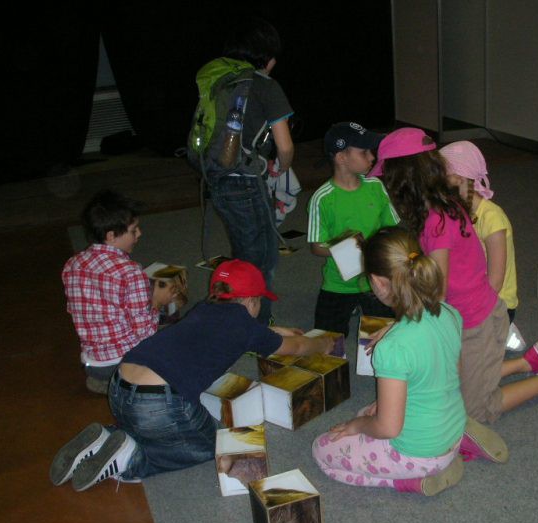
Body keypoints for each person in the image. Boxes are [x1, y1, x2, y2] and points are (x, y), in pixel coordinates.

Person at [371, 128, 538, 423]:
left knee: (476, 411)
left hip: (476, 324)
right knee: (449, 384)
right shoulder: (443, 204)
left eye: (388, 179)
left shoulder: (436, 221)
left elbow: (436, 293)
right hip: (460, 319)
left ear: (402, 179)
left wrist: (398, 327)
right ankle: (526, 363)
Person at [50, 259, 334, 491]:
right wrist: (322, 344)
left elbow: (241, 332)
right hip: (160, 403)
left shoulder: (204, 309)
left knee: (154, 428)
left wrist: (276, 331)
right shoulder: (245, 327)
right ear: (250, 302)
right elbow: (297, 348)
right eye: (259, 302)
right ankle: (131, 460)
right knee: (212, 445)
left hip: (119, 386)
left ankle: (107, 437)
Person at [312, 227, 509, 496]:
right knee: (367, 412)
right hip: (451, 427)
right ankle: (459, 440)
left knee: (322, 448)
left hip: (419, 455)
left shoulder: (392, 348)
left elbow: (388, 427)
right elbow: (450, 375)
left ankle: (411, 481)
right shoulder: (449, 313)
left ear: (378, 282)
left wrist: (355, 427)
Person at [206, 16, 294, 325]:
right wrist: (282, 167)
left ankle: (236, 314)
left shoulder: (220, 81)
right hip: (244, 183)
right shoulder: (265, 86)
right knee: (262, 257)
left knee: (244, 250)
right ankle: (255, 323)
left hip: (216, 176)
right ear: (267, 57)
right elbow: (285, 146)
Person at [62, 189, 175, 394]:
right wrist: (157, 302)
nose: (139, 234)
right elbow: (144, 334)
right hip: (126, 362)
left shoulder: (73, 264)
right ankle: (126, 382)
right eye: (133, 230)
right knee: (180, 336)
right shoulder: (130, 272)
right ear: (111, 236)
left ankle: (104, 381)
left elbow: (78, 309)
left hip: (93, 363)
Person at [307, 122, 400, 337]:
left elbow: (391, 230)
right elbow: (316, 247)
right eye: (364, 152)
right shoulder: (322, 198)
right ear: (341, 157)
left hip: (376, 280)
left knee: (386, 338)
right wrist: (349, 248)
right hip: (338, 284)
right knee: (327, 344)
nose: (372, 157)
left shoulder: (375, 186)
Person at [440, 141, 526, 351]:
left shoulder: (492, 218)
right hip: (467, 295)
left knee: (457, 358)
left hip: (494, 304)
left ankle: (505, 331)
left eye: (441, 173)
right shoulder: (454, 211)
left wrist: (466, 313)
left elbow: (495, 282)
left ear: (459, 177)